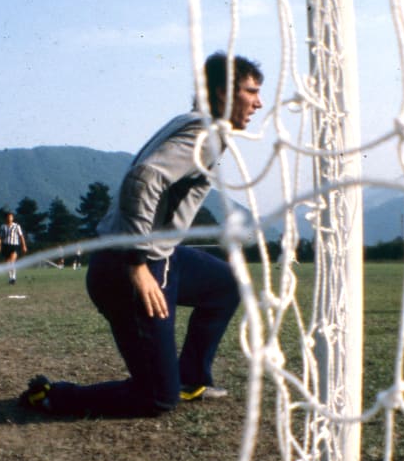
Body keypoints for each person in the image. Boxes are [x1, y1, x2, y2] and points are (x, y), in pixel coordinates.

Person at [19, 52, 263, 417]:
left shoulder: (192, 123)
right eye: (251, 91)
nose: (259, 103)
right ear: (223, 92)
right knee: (157, 399)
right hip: (129, 269)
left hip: (157, 258)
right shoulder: (207, 133)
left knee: (227, 283)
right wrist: (136, 264)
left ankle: (190, 379)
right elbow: (144, 178)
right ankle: (51, 396)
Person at [0, 211, 27, 285]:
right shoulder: (3, 227)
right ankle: (10, 278)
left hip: (14, 245)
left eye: (11, 217)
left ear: (13, 218)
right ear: (6, 218)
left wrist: (24, 246)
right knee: (7, 263)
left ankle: (13, 277)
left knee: (12, 261)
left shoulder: (17, 226)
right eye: (8, 217)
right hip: (6, 246)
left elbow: (21, 236)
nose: (9, 218)